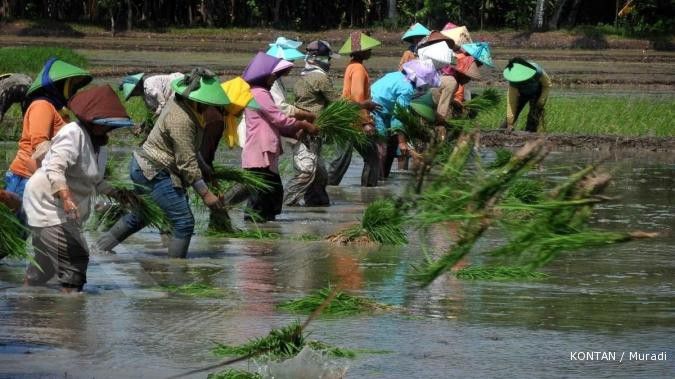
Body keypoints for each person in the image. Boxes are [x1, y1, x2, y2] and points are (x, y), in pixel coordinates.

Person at [93, 68, 229, 258]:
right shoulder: (181, 118)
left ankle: (100, 248)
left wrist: (206, 169)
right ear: (194, 99)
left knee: (142, 215)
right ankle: (176, 272)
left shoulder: (185, 108)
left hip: (146, 166)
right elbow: (186, 162)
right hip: (153, 171)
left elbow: (189, 150)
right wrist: (206, 195)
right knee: (184, 221)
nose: (208, 108)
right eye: (205, 103)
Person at [22, 85, 134, 292]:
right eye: (105, 125)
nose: (109, 130)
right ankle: (72, 312)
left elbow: (94, 180)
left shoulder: (99, 145)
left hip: (64, 207)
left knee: (45, 264)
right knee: (76, 257)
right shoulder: (73, 133)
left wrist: (118, 194)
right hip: (47, 203)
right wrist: (65, 197)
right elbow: (55, 169)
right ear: (92, 122)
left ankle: (27, 303)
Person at [239, 52, 319, 221]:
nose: (274, 80)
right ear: (264, 76)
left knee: (270, 194)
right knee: (261, 195)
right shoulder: (258, 93)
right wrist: (303, 124)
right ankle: (256, 236)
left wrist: (296, 130)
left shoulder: (258, 91)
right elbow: (278, 118)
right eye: (272, 77)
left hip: (264, 149)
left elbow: (275, 123)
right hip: (259, 150)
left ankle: (264, 230)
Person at [4, 58, 92, 199]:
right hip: (25, 178)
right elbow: (40, 146)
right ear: (59, 85)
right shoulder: (42, 106)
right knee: (18, 220)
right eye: (72, 86)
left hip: (42, 176)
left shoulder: (59, 110)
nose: (74, 91)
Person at [328, 31, 382, 187]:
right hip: (354, 120)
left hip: (347, 117)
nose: (370, 51)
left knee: (342, 159)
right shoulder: (358, 69)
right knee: (371, 158)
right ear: (361, 51)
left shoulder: (351, 66)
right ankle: (368, 194)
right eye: (368, 48)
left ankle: (328, 187)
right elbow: (358, 97)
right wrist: (366, 121)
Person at [370, 59, 440, 178]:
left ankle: (383, 177)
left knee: (391, 144)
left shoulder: (396, 74)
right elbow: (399, 115)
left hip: (383, 108)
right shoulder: (407, 88)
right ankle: (377, 181)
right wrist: (402, 142)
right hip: (376, 110)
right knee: (382, 149)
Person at [119, 72, 185, 135]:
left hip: (179, 85)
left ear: (137, 87)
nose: (134, 95)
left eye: (133, 93)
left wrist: (154, 117)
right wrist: (142, 127)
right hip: (173, 94)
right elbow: (151, 112)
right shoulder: (145, 95)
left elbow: (162, 104)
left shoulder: (149, 87)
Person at [501, 57, 551, 132]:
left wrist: (541, 101)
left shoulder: (537, 71)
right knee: (509, 121)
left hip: (537, 92)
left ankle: (530, 134)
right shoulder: (514, 81)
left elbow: (547, 85)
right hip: (522, 94)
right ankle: (502, 131)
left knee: (533, 116)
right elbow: (512, 102)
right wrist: (510, 123)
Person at [432, 52, 482, 120]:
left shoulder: (451, 78)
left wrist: (455, 102)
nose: (468, 81)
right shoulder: (452, 82)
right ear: (462, 75)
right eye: (468, 78)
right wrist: (441, 119)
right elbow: (443, 103)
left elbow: (448, 96)